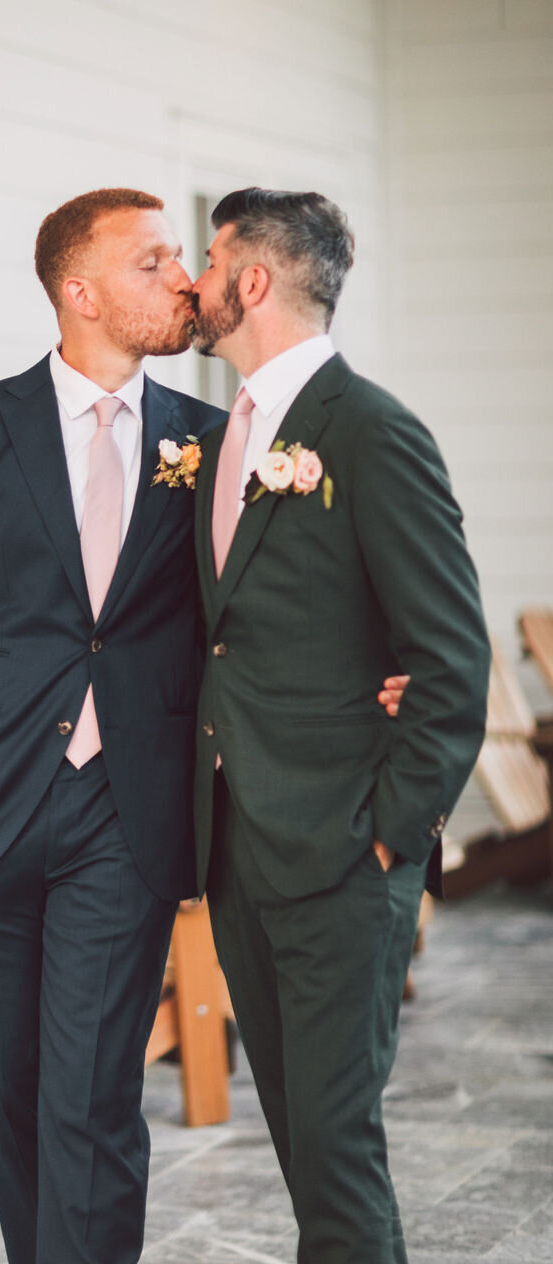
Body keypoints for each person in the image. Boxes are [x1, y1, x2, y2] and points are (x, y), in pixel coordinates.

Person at [0, 189, 225, 1264]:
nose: (182, 278)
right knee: (13, 1103)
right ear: (80, 291)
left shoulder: (207, 443)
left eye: (181, 258)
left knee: (93, 1102)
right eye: (154, 261)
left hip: (126, 815)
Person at [189, 187, 490, 1264]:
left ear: (252, 281)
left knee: (336, 1148)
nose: (194, 275)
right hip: (238, 848)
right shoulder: (220, 439)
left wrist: (389, 833)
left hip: (342, 855)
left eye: (209, 256)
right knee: (301, 1148)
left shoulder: (369, 432)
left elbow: (451, 659)